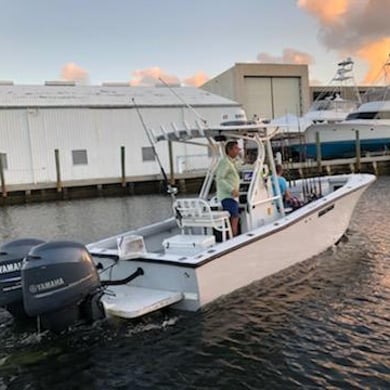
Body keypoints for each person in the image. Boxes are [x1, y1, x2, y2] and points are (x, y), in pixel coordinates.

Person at [215, 140, 241, 237]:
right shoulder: (225, 162)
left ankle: (231, 237)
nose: (238, 150)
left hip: (232, 197)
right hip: (227, 196)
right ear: (229, 150)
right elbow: (219, 179)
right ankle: (233, 239)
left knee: (234, 217)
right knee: (234, 218)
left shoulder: (232, 162)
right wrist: (232, 190)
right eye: (236, 148)